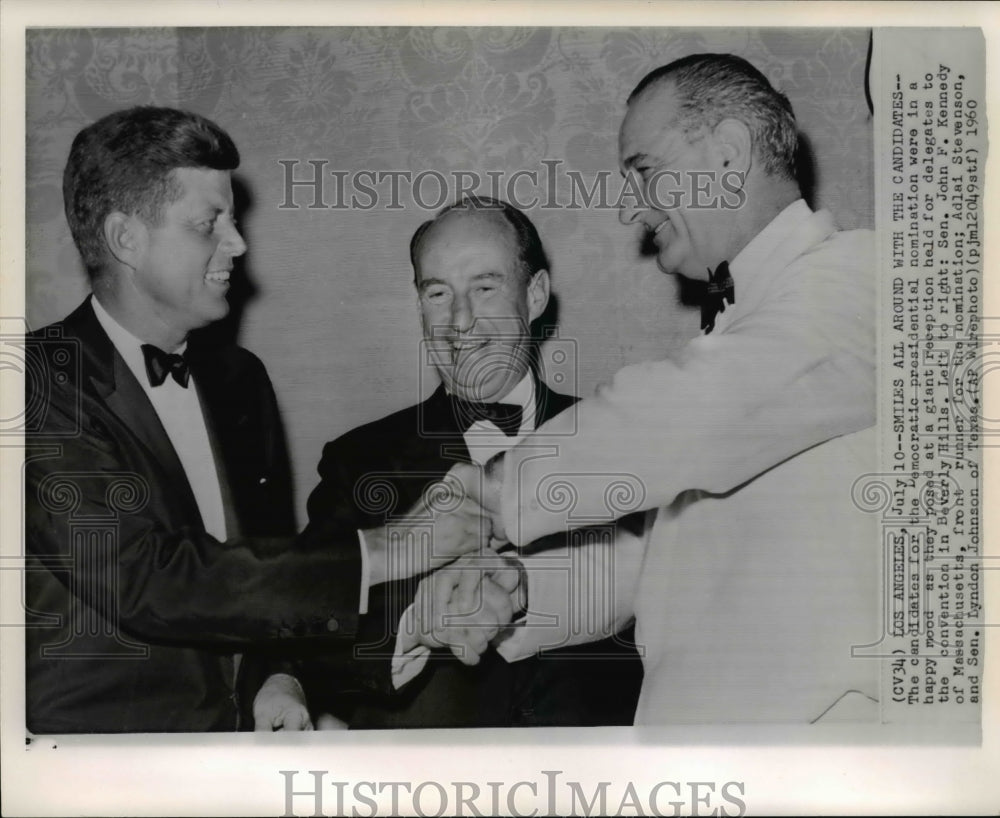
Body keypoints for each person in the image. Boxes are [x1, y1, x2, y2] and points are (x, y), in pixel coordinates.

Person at [442, 53, 881, 723]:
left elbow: (686, 414)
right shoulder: (752, 326)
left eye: (644, 173)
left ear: (730, 153)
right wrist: (526, 587)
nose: (630, 209)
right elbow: (668, 558)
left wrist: (495, 493)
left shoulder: (863, 278)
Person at [24, 106, 484, 734]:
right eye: (208, 224)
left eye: (233, 222)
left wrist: (278, 675)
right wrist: (394, 546)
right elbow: (150, 581)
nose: (237, 245)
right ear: (125, 238)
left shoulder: (241, 379)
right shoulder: (34, 381)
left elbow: (265, 567)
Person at [299, 197, 645, 728]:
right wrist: (418, 621)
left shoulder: (620, 437)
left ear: (535, 295)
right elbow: (309, 632)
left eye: (484, 288)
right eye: (437, 293)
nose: (459, 321)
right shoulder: (358, 460)